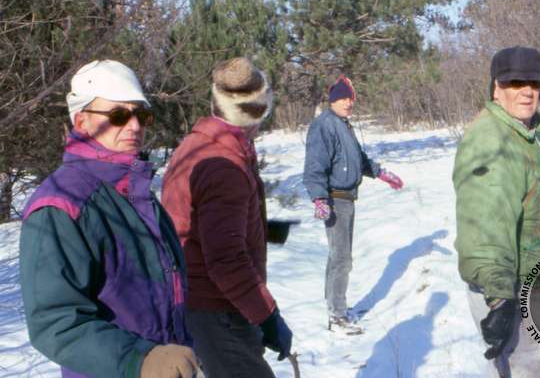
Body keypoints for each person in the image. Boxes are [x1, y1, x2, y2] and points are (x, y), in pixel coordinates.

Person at [20, 60, 198, 378]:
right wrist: (140, 360)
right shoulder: (63, 204)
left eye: (141, 115)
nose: (134, 126)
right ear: (82, 120)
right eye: (118, 115)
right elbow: (54, 321)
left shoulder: (135, 195)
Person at [162, 57, 292, 378]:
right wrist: (267, 316)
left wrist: (260, 229)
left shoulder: (198, 144)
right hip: (218, 311)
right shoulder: (224, 165)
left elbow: (197, 224)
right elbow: (225, 259)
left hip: (203, 304)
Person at [453, 46, 540, 377]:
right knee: (526, 370)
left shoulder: (534, 134)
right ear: (496, 88)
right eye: (516, 82)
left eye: (534, 83)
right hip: (512, 288)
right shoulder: (490, 140)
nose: (527, 91)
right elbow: (484, 225)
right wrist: (499, 299)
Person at [303, 75, 404, 331]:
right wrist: (319, 198)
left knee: (337, 256)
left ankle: (333, 306)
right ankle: (337, 316)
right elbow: (315, 164)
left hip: (346, 198)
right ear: (333, 100)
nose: (349, 103)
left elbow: (358, 157)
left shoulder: (342, 124)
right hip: (335, 198)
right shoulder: (324, 125)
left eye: (351, 99)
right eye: (344, 98)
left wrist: (380, 172)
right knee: (342, 259)